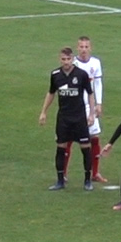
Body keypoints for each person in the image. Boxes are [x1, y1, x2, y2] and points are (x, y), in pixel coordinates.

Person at [38, 46, 97, 190]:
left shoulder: (81, 74)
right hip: (63, 118)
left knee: (85, 148)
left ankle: (87, 180)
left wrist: (91, 114)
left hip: (79, 118)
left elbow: (90, 94)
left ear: (72, 59)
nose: (66, 62)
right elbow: (51, 93)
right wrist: (43, 112)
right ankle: (60, 181)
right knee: (61, 148)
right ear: (60, 59)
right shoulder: (55, 75)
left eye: (68, 59)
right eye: (63, 59)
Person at [74, 35, 105, 183]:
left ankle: (95, 173)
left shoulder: (95, 63)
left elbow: (98, 84)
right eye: (81, 47)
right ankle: (63, 174)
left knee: (94, 137)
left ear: (90, 48)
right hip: (75, 106)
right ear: (77, 48)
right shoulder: (73, 63)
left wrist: (99, 103)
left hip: (90, 106)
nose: (84, 50)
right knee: (67, 139)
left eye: (86, 47)